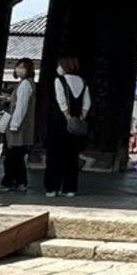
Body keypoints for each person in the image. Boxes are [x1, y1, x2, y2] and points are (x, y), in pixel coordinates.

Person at [45, 53, 91, 196]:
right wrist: (79, 118)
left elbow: (61, 100)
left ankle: (53, 188)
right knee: (72, 157)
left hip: (60, 123)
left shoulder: (60, 80)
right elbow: (87, 103)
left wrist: (68, 117)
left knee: (55, 156)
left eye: (60, 65)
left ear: (64, 66)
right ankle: (70, 189)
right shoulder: (83, 82)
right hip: (76, 124)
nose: (58, 67)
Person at [0, 59, 37, 191]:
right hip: (23, 125)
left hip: (18, 125)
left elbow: (21, 106)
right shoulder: (26, 83)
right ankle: (20, 182)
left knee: (12, 156)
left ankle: (8, 182)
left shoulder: (25, 84)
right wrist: (9, 99)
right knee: (17, 156)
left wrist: (14, 124)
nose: (19, 69)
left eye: (22, 67)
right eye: (18, 67)